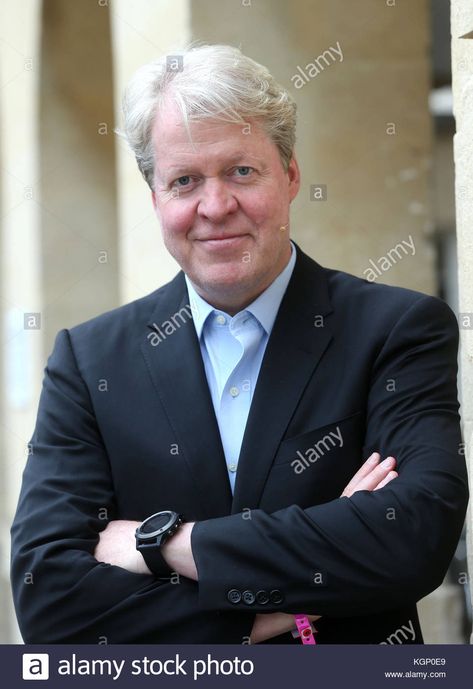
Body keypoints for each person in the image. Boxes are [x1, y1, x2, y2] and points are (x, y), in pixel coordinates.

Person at [10, 44, 468, 644]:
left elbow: (412, 540)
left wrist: (166, 542)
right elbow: (50, 599)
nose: (216, 206)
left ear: (292, 175)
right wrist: (285, 611)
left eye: (242, 171)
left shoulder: (396, 330)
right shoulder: (90, 360)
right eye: (184, 181)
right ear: (156, 199)